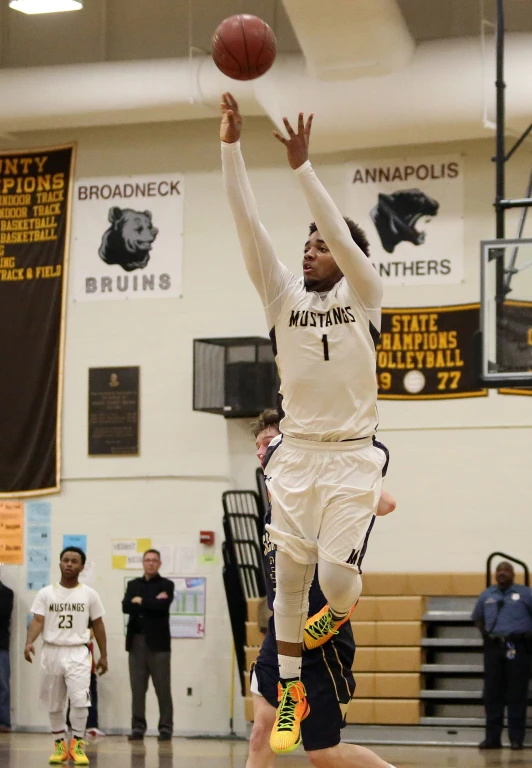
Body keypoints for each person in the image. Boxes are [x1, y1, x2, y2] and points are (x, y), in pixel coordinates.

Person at [221, 93, 387, 752]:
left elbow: (344, 238)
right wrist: (229, 146)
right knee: (287, 584)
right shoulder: (282, 296)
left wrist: (303, 170)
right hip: (296, 454)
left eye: (323, 243)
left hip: (350, 455)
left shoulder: (366, 296)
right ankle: (289, 691)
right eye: (308, 243)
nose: (313, 249)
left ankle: (338, 611)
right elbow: (245, 220)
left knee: (336, 584)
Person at [250, 409, 396, 768]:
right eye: (257, 446)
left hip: (323, 637)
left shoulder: (317, 488)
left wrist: (351, 480)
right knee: (260, 734)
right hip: (282, 637)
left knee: (323, 753)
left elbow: (387, 503)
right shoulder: (276, 506)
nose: (260, 452)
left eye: (267, 443)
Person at [24, 547, 108, 766]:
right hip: (52, 650)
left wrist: (104, 655)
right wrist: (29, 641)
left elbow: (98, 625)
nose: (69, 564)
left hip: (79, 651)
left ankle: (77, 746)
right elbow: (38, 621)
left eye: (74, 561)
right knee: (54, 703)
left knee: (81, 701)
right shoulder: (46, 593)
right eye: (65, 560)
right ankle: (60, 746)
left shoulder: (89, 594)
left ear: (81, 566)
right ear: (60, 564)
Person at [472, 561, 532, 751]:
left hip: (519, 646)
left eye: (506, 570)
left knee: (516, 693)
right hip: (494, 648)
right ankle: (492, 738)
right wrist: (489, 637)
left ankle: (516, 739)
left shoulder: (526, 593)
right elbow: (477, 618)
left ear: (513, 574)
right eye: (499, 570)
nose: (502, 573)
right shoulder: (487, 594)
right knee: (492, 693)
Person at [122, 549, 175, 742]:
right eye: (147, 560)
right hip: (136, 642)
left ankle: (165, 728)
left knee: (162, 688)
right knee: (137, 688)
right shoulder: (133, 584)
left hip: (159, 644)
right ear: (142, 563)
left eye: (154, 560)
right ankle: (138, 727)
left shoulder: (166, 585)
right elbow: (126, 606)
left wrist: (141, 601)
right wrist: (151, 602)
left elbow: (162, 606)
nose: (151, 563)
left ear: (159, 564)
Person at [67, 622, 104, 737]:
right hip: (83, 671)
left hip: (88, 670)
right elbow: (91, 634)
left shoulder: (87, 643)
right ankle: (89, 725)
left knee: (85, 697)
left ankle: (86, 725)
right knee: (85, 698)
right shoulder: (81, 637)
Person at [0, 578, 14, 733]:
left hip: (1, 645)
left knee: (2, 684)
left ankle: (3, 721)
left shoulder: (6, 593)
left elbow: (3, 615)